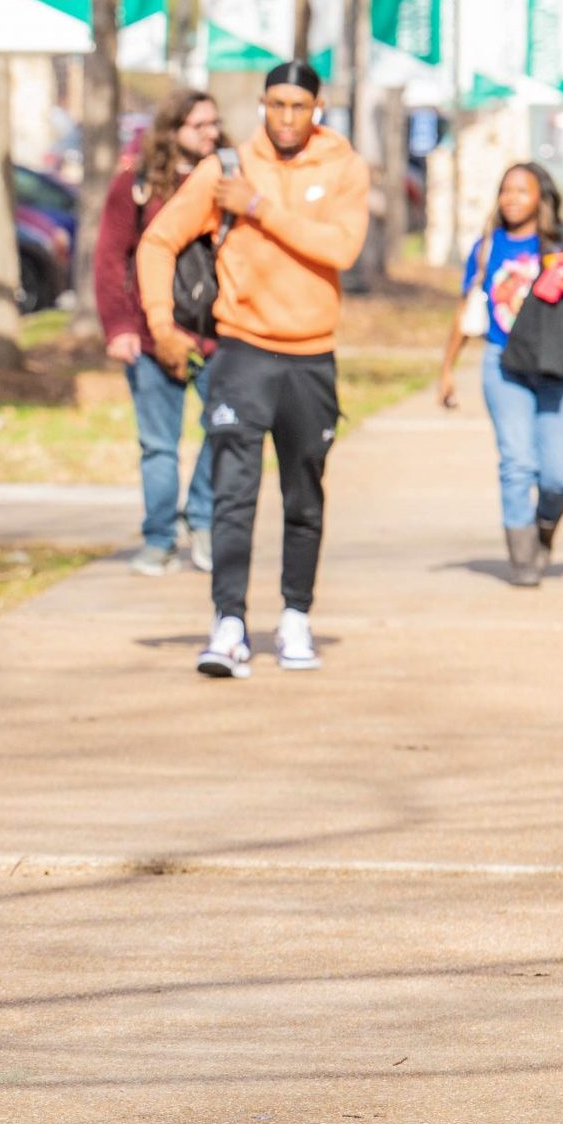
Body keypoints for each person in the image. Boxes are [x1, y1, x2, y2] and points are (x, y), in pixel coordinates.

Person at [138, 61, 369, 678]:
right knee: (233, 494)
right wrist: (161, 323)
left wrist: (261, 208)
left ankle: (296, 617)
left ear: (317, 108)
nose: (285, 117)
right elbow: (158, 241)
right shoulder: (228, 169)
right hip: (242, 352)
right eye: (275, 104)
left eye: (298, 106)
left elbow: (340, 247)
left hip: (310, 354)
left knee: (304, 495)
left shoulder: (344, 168)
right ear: (262, 105)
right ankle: (229, 624)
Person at [434, 163, 563, 587]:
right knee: (516, 462)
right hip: (503, 362)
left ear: (541, 197)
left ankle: (544, 529)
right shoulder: (488, 247)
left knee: (558, 473)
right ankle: (523, 557)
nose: (511, 199)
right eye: (505, 190)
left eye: (521, 191)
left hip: (554, 366)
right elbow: (466, 308)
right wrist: (447, 369)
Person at [93, 87, 224, 576]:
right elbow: (110, 257)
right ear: (172, 131)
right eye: (199, 125)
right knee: (159, 444)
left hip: (217, 333)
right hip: (150, 338)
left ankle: (203, 519)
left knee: (225, 431)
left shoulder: (227, 178)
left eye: (214, 123)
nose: (211, 132)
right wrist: (120, 326)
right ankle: (160, 538)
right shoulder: (137, 185)